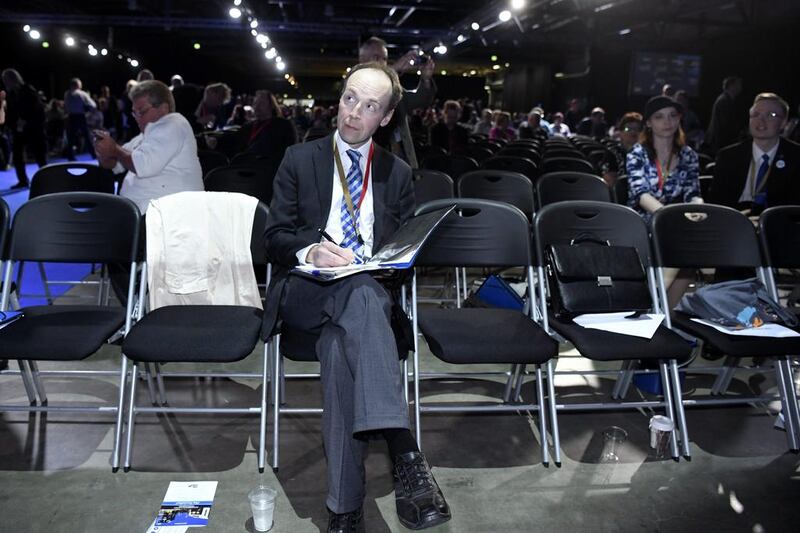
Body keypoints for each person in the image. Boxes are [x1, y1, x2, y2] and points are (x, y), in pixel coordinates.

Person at [263, 62, 450, 533]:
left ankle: (344, 511)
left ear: (385, 118)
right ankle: (404, 448)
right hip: (307, 291)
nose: (353, 114)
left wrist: (386, 261)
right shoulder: (298, 158)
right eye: (350, 99)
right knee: (362, 301)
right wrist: (311, 251)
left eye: (369, 107)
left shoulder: (398, 173)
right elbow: (276, 237)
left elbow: (402, 252)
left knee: (344, 339)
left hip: (364, 303)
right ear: (339, 98)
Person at [94, 80, 203, 213]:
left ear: (164, 107)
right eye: (134, 113)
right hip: (146, 214)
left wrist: (114, 149)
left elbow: (143, 165)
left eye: (142, 111)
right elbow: (114, 164)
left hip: (171, 216)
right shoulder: (143, 137)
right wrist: (103, 151)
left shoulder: (175, 124)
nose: (137, 118)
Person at [709, 92, 800, 215]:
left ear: (783, 123)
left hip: (778, 225)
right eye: (756, 114)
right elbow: (715, 203)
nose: (761, 120)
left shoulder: (795, 156)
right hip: (733, 223)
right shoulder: (728, 156)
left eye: (771, 115)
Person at [358, 36, 436, 168]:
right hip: (368, 163)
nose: (382, 62)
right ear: (361, 60)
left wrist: (425, 79)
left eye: (384, 59)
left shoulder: (392, 86)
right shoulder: (353, 83)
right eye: (377, 57)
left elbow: (418, 102)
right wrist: (394, 70)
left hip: (399, 158)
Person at [627, 96, 702, 221]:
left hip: (680, 222)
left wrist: (698, 210)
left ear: (679, 119)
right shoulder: (637, 154)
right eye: (659, 117)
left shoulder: (689, 155)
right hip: (642, 222)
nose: (667, 121)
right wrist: (670, 217)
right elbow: (641, 195)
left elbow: (693, 193)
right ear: (648, 123)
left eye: (673, 115)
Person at [1, 68, 47, 189]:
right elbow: (10, 112)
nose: (4, 82)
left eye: (6, 79)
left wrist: (26, 120)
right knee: (17, 155)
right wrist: (11, 125)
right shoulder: (10, 94)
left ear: (12, 79)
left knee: (39, 155)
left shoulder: (28, 90)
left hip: (33, 127)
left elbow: (38, 109)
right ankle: (23, 180)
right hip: (18, 129)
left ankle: (48, 178)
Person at [237, 89, 297, 159]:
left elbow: (288, 150)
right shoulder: (248, 126)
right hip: (245, 164)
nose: (257, 106)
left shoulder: (283, 125)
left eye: (261, 103)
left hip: (269, 166)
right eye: (256, 102)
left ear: (271, 105)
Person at [705, 76, 743, 155]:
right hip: (720, 142)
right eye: (738, 85)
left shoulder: (725, 99)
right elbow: (725, 124)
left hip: (721, 141)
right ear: (731, 86)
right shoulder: (724, 101)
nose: (740, 87)